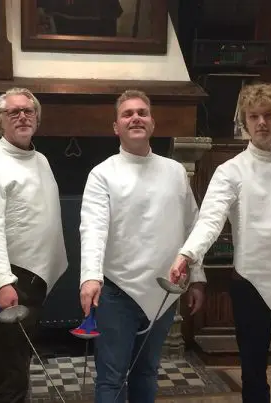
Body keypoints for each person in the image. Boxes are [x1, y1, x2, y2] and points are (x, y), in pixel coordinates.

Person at [169, 82, 271, 403]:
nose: (261, 122)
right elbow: (210, 220)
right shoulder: (230, 171)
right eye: (254, 116)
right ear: (245, 121)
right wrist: (186, 255)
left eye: (268, 115)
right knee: (253, 375)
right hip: (250, 284)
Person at [79, 89, 206, 403]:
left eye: (142, 113)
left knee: (147, 372)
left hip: (163, 292)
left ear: (152, 123)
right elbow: (93, 229)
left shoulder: (175, 171)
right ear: (116, 127)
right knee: (111, 379)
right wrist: (90, 277)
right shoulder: (102, 174)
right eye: (127, 114)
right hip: (117, 293)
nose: (135, 118)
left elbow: (192, 225)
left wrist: (197, 277)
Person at [0, 87, 68, 403]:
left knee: (18, 361)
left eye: (28, 111)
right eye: (13, 112)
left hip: (35, 279)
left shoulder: (40, 159)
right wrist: (2, 282)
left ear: (37, 118)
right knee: (11, 368)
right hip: (11, 281)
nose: (23, 116)